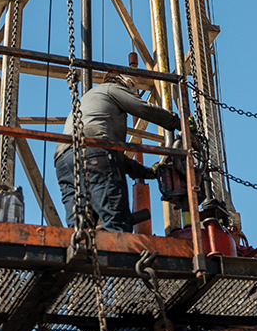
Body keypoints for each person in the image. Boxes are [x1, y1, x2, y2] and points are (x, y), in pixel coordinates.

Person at [55, 73, 180, 231]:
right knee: (115, 219)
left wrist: (145, 172)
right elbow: (142, 107)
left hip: (64, 160)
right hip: (93, 148)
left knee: (81, 228)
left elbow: (118, 158)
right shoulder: (111, 89)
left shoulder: (93, 105)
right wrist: (177, 122)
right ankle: (119, 254)